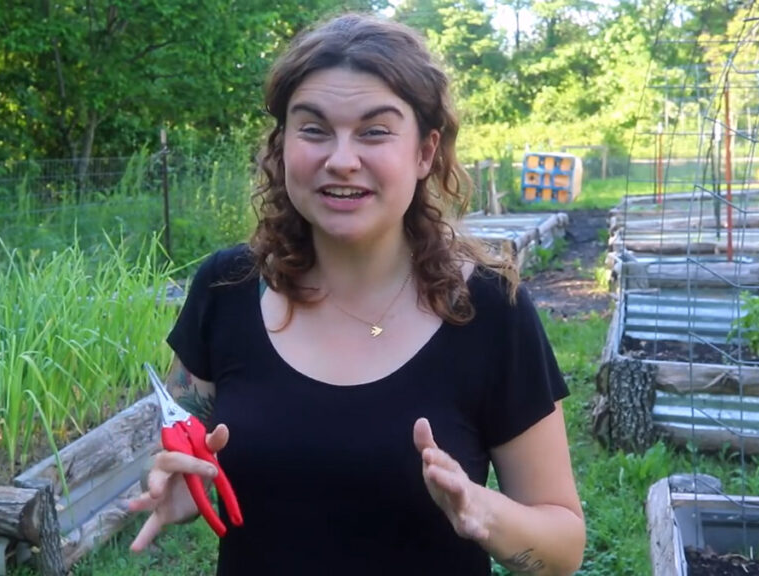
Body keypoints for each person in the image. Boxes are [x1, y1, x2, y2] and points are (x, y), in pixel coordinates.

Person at [126, 12, 585, 576]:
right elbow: (185, 427)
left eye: (374, 131)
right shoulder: (226, 290)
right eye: (314, 128)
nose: (341, 159)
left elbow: (563, 550)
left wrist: (484, 515)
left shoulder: (488, 311)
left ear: (424, 153)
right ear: (283, 146)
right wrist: (181, 482)